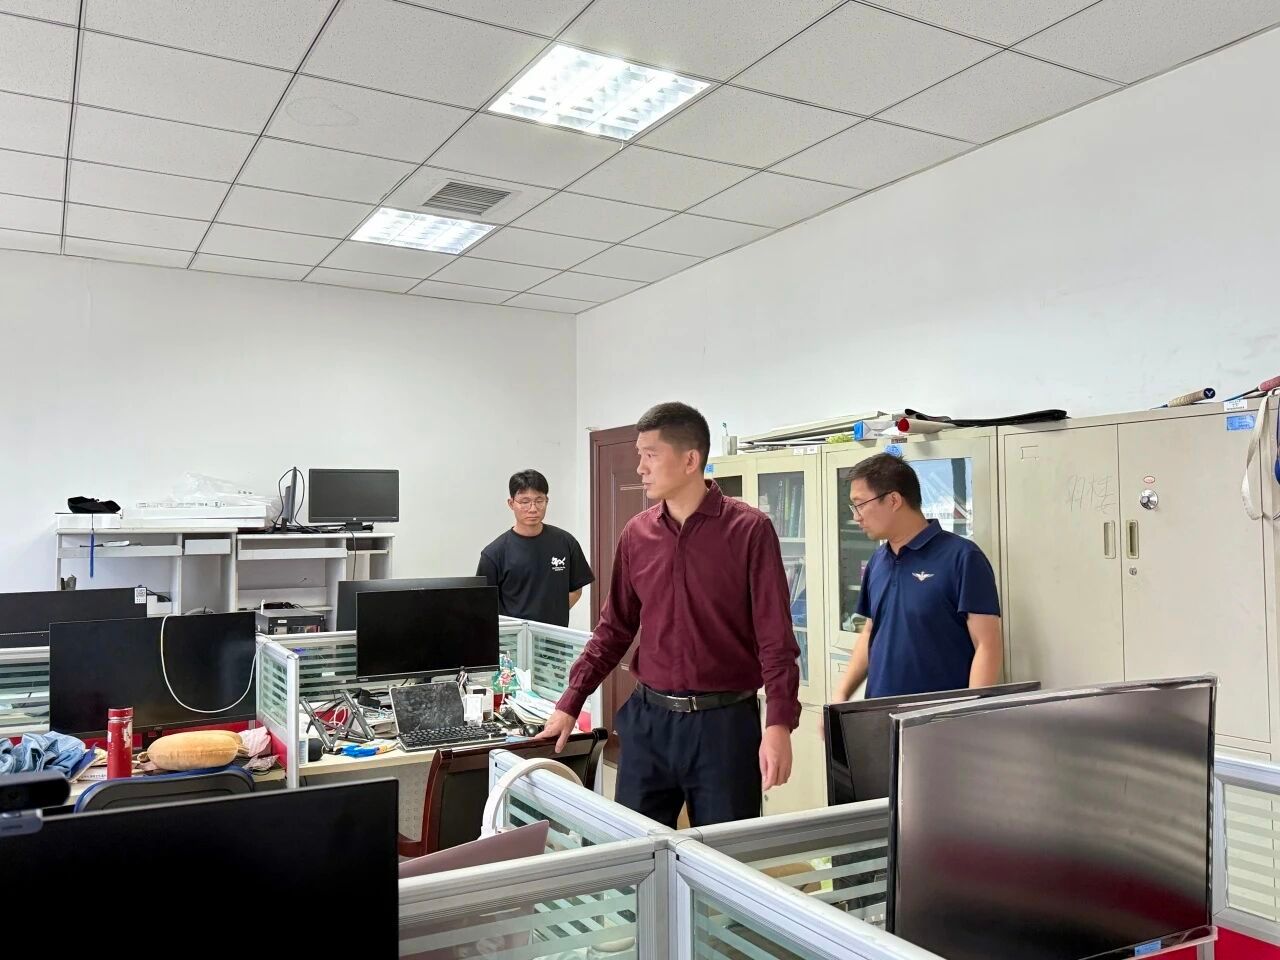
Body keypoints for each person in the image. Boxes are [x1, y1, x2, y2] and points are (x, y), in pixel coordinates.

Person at [538, 402, 800, 828]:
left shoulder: (749, 530)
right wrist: (571, 701)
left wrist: (779, 724)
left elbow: (776, 638)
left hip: (724, 727)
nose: (640, 467)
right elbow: (614, 629)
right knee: (634, 851)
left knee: (723, 858)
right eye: (639, 455)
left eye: (650, 455)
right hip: (649, 722)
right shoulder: (637, 534)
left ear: (690, 460)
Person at [828, 452, 1002, 722]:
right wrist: (841, 695)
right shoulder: (877, 561)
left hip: (938, 722)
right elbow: (871, 632)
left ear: (893, 500)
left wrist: (970, 717)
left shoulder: (962, 557)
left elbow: (987, 645)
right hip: (880, 717)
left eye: (860, 505)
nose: (856, 517)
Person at [477, 469, 593, 628]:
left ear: (547, 501)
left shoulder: (566, 542)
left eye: (539, 501)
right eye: (525, 502)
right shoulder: (494, 554)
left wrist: (552, 616)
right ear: (511, 504)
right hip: (513, 638)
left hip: (555, 637)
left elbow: (576, 589)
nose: (533, 508)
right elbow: (484, 605)